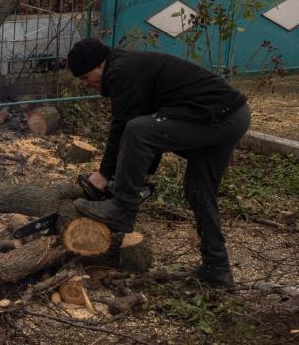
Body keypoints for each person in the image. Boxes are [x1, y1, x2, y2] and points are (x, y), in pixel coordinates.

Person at [67, 38, 250, 287]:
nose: (86, 84)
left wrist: (104, 175)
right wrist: (138, 174)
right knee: (199, 191)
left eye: (85, 77)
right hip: (229, 116)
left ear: (99, 65)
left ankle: (122, 208)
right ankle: (217, 267)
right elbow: (155, 125)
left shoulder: (121, 70)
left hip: (218, 117)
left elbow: (126, 125)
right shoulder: (128, 66)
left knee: (138, 129)